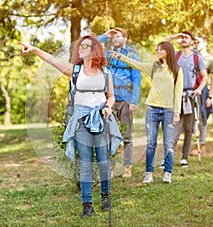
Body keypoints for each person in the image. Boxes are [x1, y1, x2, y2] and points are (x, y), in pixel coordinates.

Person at [19, 34, 122, 218]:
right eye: (80, 47)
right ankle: (87, 204)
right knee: (85, 163)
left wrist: (108, 107)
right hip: (81, 120)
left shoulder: (105, 73)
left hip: (101, 118)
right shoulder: (75, 70)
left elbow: (111, 96)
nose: (82, 49)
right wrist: (34, 49)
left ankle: (105, 197)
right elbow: (52, 60)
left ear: (95, 50)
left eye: (86, 46)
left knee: (104, 161)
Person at [112, 41, 183, 183]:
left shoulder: (177, 70)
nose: (158, 52)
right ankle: (148, 173)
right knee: (151, 143)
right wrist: (120, 57)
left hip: (168, 110)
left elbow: (178, 93)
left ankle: (167, 173)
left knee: (168, 144)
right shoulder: (154, 67)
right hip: (152, 109)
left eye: (161, 50)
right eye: (158, 50)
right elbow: (136, 64)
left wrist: (176, 113)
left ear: (168, 51)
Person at [98, 28, 142, 178]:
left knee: (126, 135)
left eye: (118, 36)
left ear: (125, 38)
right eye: (114, 37)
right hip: (109, 100)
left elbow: (137, 78)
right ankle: (111, 167)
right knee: (109, 135)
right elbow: (92, 45)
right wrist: (105, 36)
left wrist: (134, 101)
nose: (115, 39)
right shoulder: (107, 54)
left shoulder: (132, 55)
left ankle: (127, 167)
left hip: (125, 100)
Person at [165, 31, 208, 168]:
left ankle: (184, 158)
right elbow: (162, 47)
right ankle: (167, 157)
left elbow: (205, 76)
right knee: (172, 127)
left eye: (186, 38)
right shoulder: (175, 56)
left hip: (191, 96)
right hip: (176, 96)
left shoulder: (197, 57)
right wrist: (172, 37)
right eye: (182, 37)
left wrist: (199, 89)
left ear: (192, 41)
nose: (183, 39)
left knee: (189, 128)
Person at [190, 34, 213, 156]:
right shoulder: (191, 55)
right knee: (190, 117)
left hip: (203, 90)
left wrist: (209, 97)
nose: (196, 44)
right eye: (194, 42)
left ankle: (202, 144)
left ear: (205, 43)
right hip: (190, 89)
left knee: (202, 117)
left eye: (198, 42)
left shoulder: (210, 60)